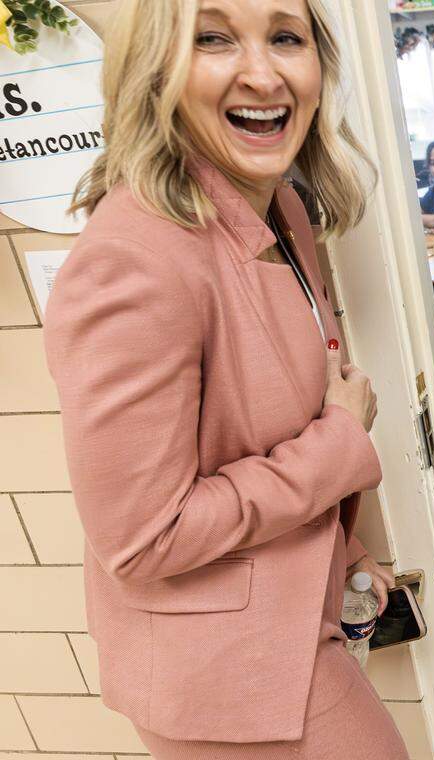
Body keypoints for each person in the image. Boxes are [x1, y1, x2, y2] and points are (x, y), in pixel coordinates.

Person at [45, 1, 408, 757]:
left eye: (286, 37)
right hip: (232, 677)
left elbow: (269, 417)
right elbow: (145, 537)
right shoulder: (133, 258)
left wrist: (346, 551)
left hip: (297, 621)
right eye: (213, 38)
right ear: (157, 71)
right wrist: (340, 445)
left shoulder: (282, 209)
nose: (263, 72)